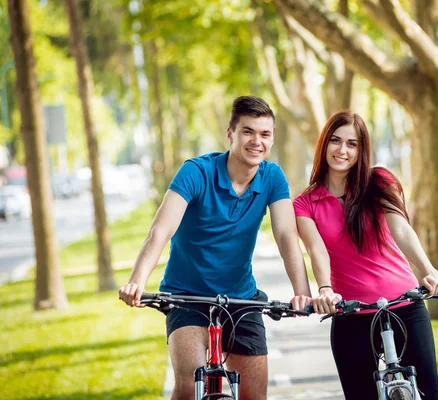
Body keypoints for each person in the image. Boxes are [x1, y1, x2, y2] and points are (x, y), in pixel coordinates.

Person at [118, 96, 312, 400]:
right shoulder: (196, 172)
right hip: (186, 296)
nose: (257, 141)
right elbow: (160, 231)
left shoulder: (272, 177)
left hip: (241, 299)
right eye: (248, 131)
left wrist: (302, 291)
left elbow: (287, 235)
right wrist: (137, 282)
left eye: (265, 134)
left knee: (254, 394)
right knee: (188, 384)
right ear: (230, 133)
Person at [293, 110, 438, 400]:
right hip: (351, 312)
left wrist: (430, 271)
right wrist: (325, 289)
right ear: (324, 144)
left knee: (430, 394)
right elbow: (316, 250)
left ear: (361, 149)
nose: (342, 150)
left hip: (404, 305)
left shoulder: (378, 181)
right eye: (336, 141)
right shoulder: (305, 203)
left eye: (352, 144)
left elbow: (402, 229)